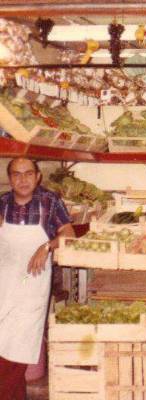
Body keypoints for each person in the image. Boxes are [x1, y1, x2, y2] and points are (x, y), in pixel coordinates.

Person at [0, 157, 75, 399]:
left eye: (28, 173)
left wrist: (46, 246)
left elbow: (69, 235)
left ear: (38, 176)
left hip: (32, 287)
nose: (23, 179)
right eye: (17, 174)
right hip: (4, 284)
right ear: (9, 178)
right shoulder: (2, 204)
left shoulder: (49, 201)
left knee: (19, 350)